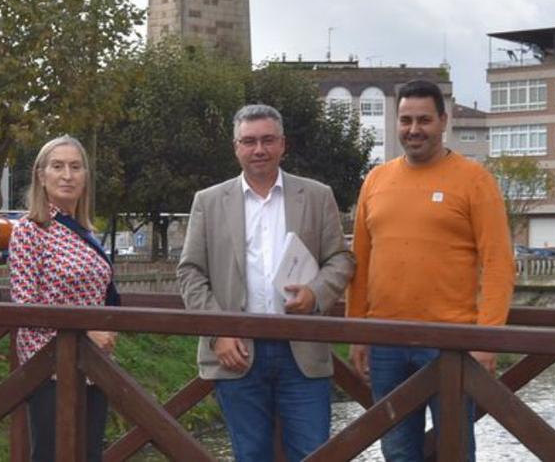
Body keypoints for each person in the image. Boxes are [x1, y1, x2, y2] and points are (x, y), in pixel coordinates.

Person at [347, 79, 515, 461]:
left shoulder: (474, 179)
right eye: (405, 120)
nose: (414, 129)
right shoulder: (375, 180)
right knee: (397, 451)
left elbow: (498, 262)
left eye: (424, 119)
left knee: (453, 450)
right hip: (385, 340)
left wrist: (487, 338)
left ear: (443, 120)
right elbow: (361, 259)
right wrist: (357, 329)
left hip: (451, 342)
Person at [177, 104, 354, 462]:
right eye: (249, 141)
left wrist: (316, 294)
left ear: (283, 144)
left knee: (313, 454)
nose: (259, 149)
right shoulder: (209, 202)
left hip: (301, 348)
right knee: (251, 455)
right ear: (236, 147)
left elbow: (340, 259)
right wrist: (218, 331)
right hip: (236, 350)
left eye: (268, 140)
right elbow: (190, 271)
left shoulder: (317, 195)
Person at [9, 135, 120, 462]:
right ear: (41, 176)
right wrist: (84, 335)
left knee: (88, 454)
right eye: (57, 167)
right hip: (50, 366)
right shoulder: (30, 230)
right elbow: (26, 308)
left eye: (75, 167)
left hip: (95, 365)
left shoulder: (87, 231)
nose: (67, 175)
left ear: (85, 177)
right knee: (52, 453)